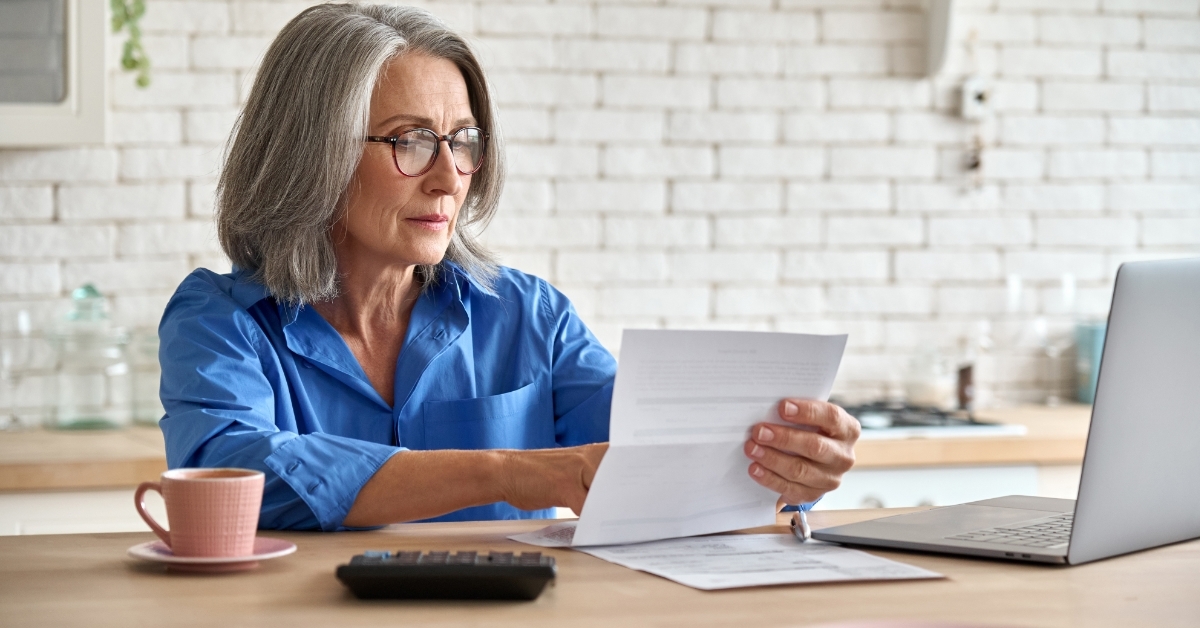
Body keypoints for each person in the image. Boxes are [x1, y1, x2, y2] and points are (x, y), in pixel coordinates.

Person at [158, 3, 860, 531]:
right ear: (314, 153)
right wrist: (510, 472)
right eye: (410, 141)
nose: (449, 178)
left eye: (463, 141)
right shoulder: (220, 321)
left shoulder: (531, 318)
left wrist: (787, 466)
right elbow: (233, 474)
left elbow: (660, 454)